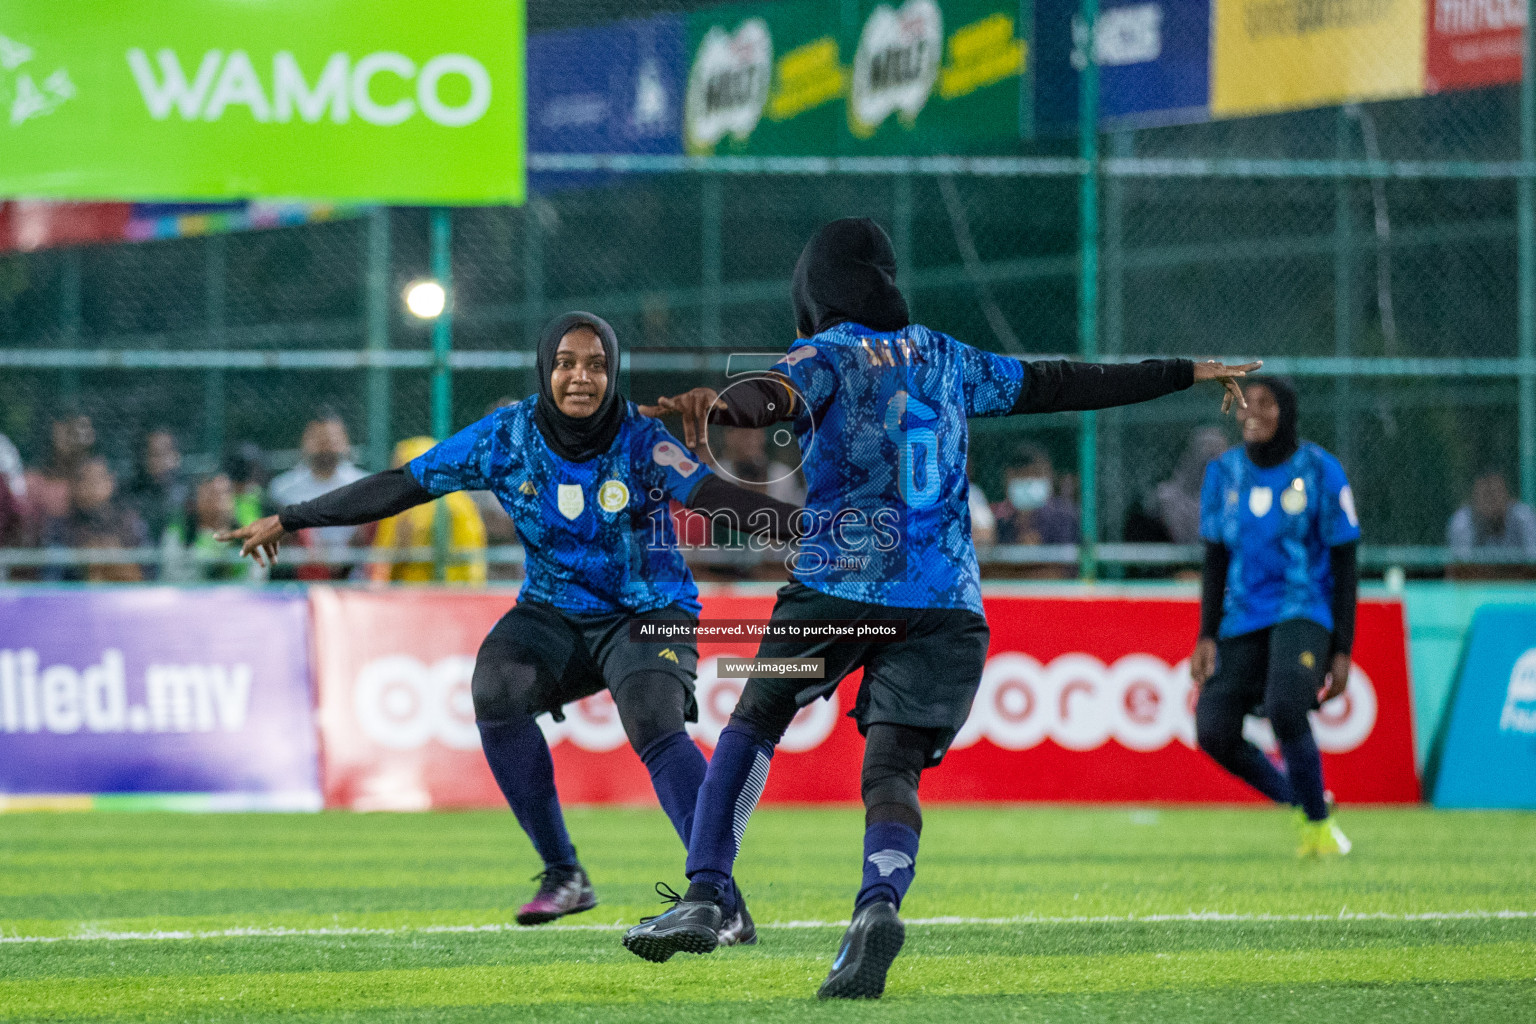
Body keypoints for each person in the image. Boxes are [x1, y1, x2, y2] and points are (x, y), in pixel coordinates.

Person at [623, 217, 1258, 998]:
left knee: (757, 716)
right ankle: (876, 905)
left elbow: (773, 400)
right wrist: (1184, 370)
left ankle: (708, 894)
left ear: (814, 293)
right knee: (892, 768)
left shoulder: (823, 355)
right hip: (946, 609)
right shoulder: (949, 357)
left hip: (836, 597)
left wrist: (717, 413)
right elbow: (1065, 382)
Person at [220, 312, 799, 940]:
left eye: (597, 365)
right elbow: (402, 486)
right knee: (494, 690)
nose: (581, 377)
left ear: (614, 373)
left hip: (648, 611)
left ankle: (720, 899)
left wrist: (812, 533)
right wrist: (293, 517)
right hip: (552, 611)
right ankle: (564, 875)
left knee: (654, 719)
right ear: (545, 368)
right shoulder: (508, 435)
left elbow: (717, 498)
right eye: (566, 363)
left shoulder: (643, 441)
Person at [1189, 378, 1358, 859]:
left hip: (1305, 610)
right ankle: (1303, 801)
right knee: (1214, 729)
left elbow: (1346, 563)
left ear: (1287, 412)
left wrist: (1342, 647)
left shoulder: (1321, 470)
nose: (1252, 413)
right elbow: (1215, 558)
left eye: (1265, 403)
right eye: (1245, 404)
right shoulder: (1223, 474)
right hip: (1243, 616)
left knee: (1286, 707)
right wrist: (1205, 634)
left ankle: (1320, 832)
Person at [368, 437, 488, 584]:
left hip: (422, 592)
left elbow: (382, 564)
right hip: (452, 592)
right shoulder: (461, 501)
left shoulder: (454, 504)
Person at [268, 413, 368, 579]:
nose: (326, 448)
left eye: (331, 440)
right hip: (298, 578)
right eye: (319, 441)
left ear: (345, 442)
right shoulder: (283, 489)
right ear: (305, 442)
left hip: (355, 576)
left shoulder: (364, 485)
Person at [41, 456, 149, 582]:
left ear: (110, 482)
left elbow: (149, 573)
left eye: (95, 480)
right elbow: (52, 579)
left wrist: (119, 558)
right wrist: (81, 559)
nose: (88, 488)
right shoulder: (60, 527)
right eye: (82, 481)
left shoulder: (130, 523)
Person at [1446, 469, 1536, 566]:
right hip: (1478, 580)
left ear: (1508, 497)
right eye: (1485, 495)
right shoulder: (1462, 522)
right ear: (1473, 499)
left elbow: (1532, 564)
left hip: (1517, 579)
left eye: (1496, 494)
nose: (1491, 502)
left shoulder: (1523, 517)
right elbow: (1461, 568)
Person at [126, 428, 190, 546]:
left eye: (165, 453)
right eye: (154, 454)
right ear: (144, 458)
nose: (161, 461)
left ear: (176, 456)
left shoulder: (188, 497)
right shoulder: (130, 496)